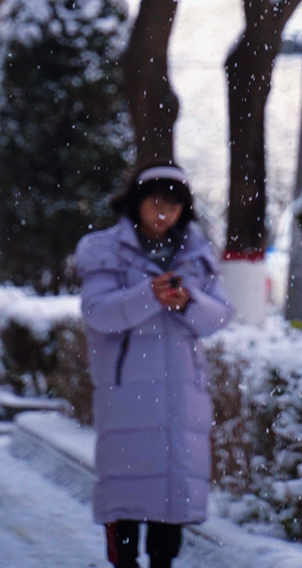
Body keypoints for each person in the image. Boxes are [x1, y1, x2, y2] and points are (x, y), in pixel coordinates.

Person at [75, 163, 234, 568]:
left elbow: (221, 315)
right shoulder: (104, 250)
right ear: (137, 203)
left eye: (175, 206)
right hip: (128, 393)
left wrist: (189, 302)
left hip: (183, 397)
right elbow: (98, 312)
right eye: (157, 203)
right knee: (126, 495)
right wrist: (150, 295)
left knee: (172, 498)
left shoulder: (196, 253)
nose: (165, 214)